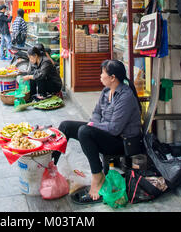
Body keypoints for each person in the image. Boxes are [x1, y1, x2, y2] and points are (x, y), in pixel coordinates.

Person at [52, 60, 142, 204]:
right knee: (65, 126)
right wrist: (95, 124)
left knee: (85, 132)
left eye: (103, 73)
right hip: (107, 133)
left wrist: (94, 125)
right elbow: (95, 114)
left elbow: (114, 129)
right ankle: (51, 168)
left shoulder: (126, 97)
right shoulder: (106, 91)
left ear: (113, 77)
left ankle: (97, 176)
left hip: (122, 141)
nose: (100, 76)